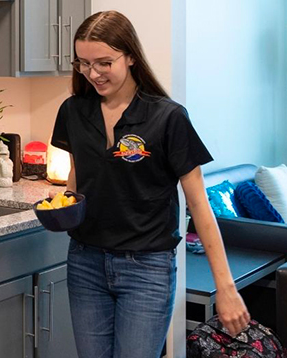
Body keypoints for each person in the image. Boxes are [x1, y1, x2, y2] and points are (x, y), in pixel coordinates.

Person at [50, 10, 250, 358]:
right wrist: (63, 206)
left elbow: (199, 205)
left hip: (146, 269)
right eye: (83, 63)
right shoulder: (73, 111)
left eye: (104, 62)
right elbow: (78, 176)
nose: (92, 73)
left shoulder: (167, 117)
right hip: (85, 262)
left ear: (130, 56)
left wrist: (225, 287)